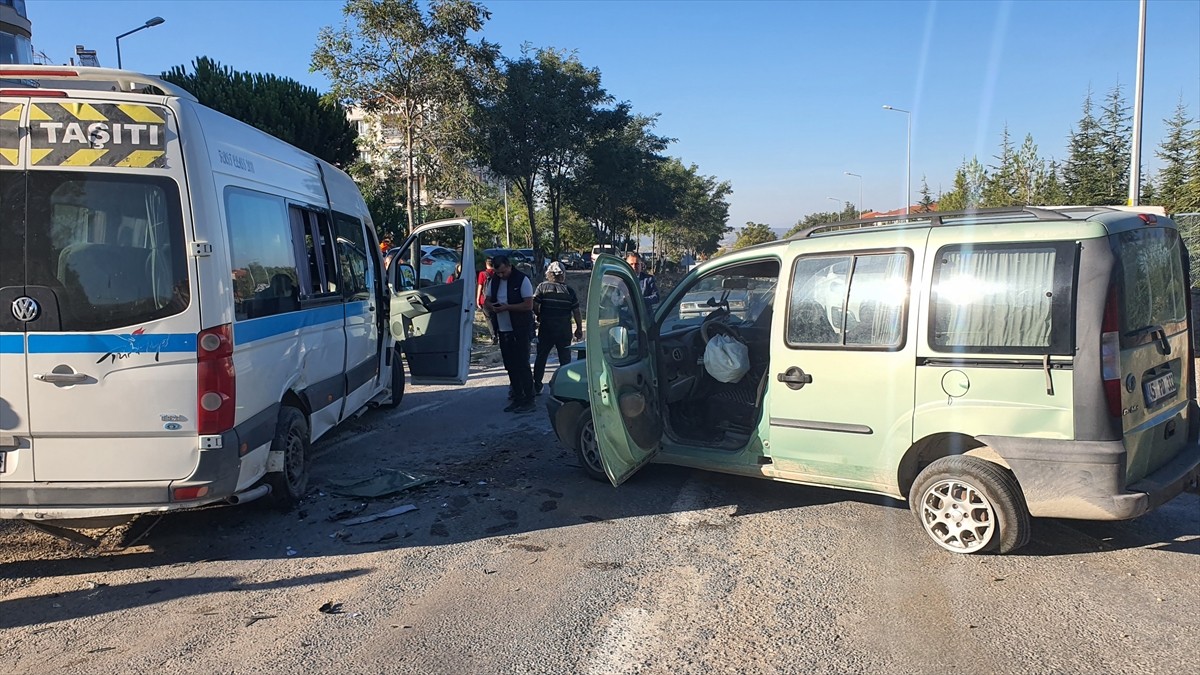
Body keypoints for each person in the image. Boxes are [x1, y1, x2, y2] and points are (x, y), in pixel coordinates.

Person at [488, 255, 536, 413]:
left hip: (520, 328)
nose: (501, 275)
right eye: (498, 273)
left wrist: (507, 307)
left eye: (503, 272)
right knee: (510, 366)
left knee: (522, 364)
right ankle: (517, 397)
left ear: (509, 266)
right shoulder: (494, 280)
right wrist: (492, 306)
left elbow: (528, 305)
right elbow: (486, 299)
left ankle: (529, 399)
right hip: (503, 329)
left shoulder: (522, 280)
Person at [532, 262, 583, 394]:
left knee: (541, 357)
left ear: (548, 274)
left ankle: (537, 385)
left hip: (546, 328)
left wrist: (539, 315)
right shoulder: (569, 291)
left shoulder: (542, 287)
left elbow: (534, 305)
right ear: (563, 275)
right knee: (565, 359)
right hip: (564, 329)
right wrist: (578, 328)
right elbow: (576, 312)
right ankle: (565, 386)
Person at [476, 257, 499, 345]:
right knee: (496, 317)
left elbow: (480, 286)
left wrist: (478, 299)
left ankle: (493, 335)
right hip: (497, 298)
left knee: (488, 318)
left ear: (486, 264)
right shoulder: (497, 273)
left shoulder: (482, 274)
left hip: (485, 299)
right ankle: (498, 334)